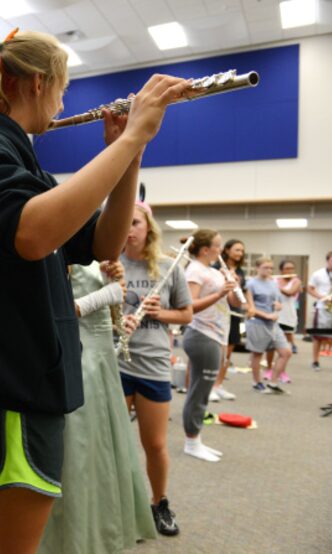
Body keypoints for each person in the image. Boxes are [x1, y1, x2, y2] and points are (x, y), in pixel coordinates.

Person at [0, 27, 189, 553]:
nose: (63, 100)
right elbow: (32, 235)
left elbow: (104, 243)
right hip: (11, 389)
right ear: (37, 84)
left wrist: (128, 153)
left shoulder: (19, 158)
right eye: (62, 87)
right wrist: (133, 136)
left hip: (16, 386)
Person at [39, 261, 157, 553]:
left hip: (102, 353)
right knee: (79, 445)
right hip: (80, 355)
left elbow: (105, 312)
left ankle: (101, 529)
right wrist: (107, 294)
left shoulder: (97, 255)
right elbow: (55, 309)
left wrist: (118, 311)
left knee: (102, 445)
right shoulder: (62, 246)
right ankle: (73, 535)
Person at [119, 202, 192, 536]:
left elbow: (186, 314)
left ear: (148, 227)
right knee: (113, 443)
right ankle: (115, 504)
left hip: (153, 365)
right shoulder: (108, 264)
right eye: (122, 222)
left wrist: (157, 314)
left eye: (134, 222)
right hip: (115, 364)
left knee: (155, 445)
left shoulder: (168, 266)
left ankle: (159, 502)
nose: (128, 228)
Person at [180, 229, 238, 462]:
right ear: (205, 249)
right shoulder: (194, 269)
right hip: (202, 334)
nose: (220, 250)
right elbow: (190, 306)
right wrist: (219, 293)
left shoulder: (211, 270)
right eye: (217, 245)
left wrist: (230, 285)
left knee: (203, 390)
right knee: (199, 391)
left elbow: (231, 302)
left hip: (216, 334)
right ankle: (191, 442)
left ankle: (195, 439)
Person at [212, 239, 254, 400]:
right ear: (227, 250)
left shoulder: (240, 271)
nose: (240, 253)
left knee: (227, 353)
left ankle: (218, 385)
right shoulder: (216, 267)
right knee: (216, 352)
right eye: (237, 250)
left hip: (234, 315)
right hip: (217, 314)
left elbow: (243, 290)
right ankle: (208, 387)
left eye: (242, 251)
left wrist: (250, 306)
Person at [246, 257, 292, 393]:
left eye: (271, 268)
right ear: (257, 268)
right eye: (265, 267)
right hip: (257, 323)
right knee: (257, 354)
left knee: (286, 352)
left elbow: (278, 302)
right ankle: (256, 382)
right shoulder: (251, 284)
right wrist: (266, 315)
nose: (269, 270)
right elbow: (249, 308)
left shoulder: (273, 283)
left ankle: (273, 383)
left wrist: (279, 306)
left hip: (273, 324)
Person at [265, 260, 301, 380]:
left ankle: (281, 371)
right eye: (287, 269)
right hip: (274, 315)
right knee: (271, 344)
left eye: (292, 268)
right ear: (281, 270)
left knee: (285, 347)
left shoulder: (296, 281)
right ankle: (269, 369)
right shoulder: (274, 281)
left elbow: (290, 293)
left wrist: (275, 285)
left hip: (289, 316)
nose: (289, 271)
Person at [308, 251, 332, 370]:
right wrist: (322, 297)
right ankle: (315, 361)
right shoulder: (318, 274)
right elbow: (310, 288)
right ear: (327, 261)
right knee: (318, 336)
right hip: (323, 308)